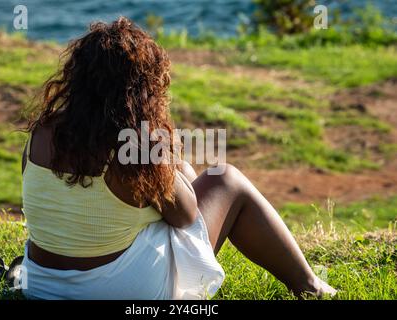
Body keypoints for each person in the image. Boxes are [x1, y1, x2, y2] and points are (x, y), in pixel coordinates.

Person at [20, 17, 336, 300]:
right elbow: (186, 217)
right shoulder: (135, 148)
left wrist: (171, 166)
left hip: (43, 286)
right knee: (226, 179)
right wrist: (165, 152)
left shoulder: (41, 133)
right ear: (139, 91)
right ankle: (310, 286)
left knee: (179, 172)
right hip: (115, 290)